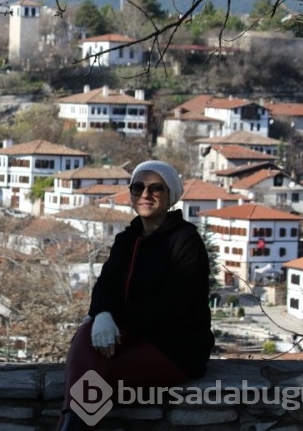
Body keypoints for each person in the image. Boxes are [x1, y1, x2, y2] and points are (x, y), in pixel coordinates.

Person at [58, 160, 215, 429]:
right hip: (131, 335)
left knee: (93, 380)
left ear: (170, 196)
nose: (145, 195)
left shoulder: (186, 241)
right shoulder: (127, 239)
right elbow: (105, 285)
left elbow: (172, 307)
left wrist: (113, 314)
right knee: (86, 335)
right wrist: (102, 314)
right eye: (138, 187)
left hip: (174, 345)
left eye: (156, 189)